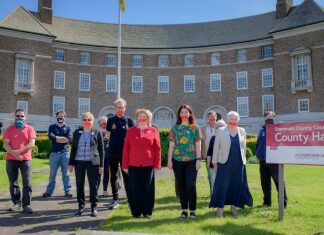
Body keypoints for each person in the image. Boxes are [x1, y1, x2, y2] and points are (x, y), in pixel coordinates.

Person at [210, 111, 253, 217]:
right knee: (222, 186)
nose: (233, 120)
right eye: (231, 118)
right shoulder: (220, 131)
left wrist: (244, 162)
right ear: (228, 119)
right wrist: (215, 163)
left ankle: (233, 208)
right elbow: (216, 148)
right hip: (224, 163)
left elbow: (243, 148)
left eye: (235, 118)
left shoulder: (242, 131)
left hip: (238, 164)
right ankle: (220, 209)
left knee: (236, 186)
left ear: (238, 120)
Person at [122, 109, 161, 218]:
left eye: (145, 116)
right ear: (137, 118)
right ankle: (136, 212)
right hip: (133, 165)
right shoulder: (130, 131)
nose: (142, 118)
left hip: (148, 165)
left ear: (148, 118)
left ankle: (147, 212)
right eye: (140, 116)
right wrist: (124, 165)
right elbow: (126, 149)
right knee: (134, 189)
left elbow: (157, 149)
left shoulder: (153, 130)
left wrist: (157, 164)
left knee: (147, 189)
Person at [167, 104, 202, 220]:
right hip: (177, 161)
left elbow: (198, 144)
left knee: (190, 185)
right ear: (179, 114)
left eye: (186, 112)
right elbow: (171, 145)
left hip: (192, 161)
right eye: (182, 112)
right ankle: (184, 210)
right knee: (181, 186)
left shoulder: (195, 128)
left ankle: (193, 211)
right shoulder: (175, 128)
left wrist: (198, 159)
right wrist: (169, 160)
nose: (184, 114)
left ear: (190, 114)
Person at [68, 112, 104, 217]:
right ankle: (81, 206)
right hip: (79, 162)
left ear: (92, 121)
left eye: (89, 120)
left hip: (93, 163)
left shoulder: (97, 132)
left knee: (93, 185)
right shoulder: (77, 133)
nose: (87, 122)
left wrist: (101, 165)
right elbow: (73, 149)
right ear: (82, 121)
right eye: (85, 120)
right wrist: (71, 163)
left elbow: (101, 151)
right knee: (79, 185)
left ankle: (94, 207)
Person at [3, 109, 36, 214]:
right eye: (18, 116)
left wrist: (19, 152)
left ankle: (26, 205)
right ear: (15, 117)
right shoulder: (9, 129)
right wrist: (14, 153)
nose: (20, 118)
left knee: (27, 182)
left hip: (25, 159)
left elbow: (32, 143)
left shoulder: (30, 128)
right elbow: (5, 144)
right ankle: (17, 203)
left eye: (22, 116)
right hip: (11, 159)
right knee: (13, 183)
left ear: (25, 117)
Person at [106, 98, 135, 209]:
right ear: (115, 108)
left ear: (125, 108)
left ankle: (130, 199)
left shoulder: (129, 121)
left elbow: (133, 137)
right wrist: (106, 144)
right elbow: (107, 135)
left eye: (122, 107)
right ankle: (115, 199)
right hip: (113, 152)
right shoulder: (110, 120)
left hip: (126, 153)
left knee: (127, 175)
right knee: (113, 176)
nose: (120, 109)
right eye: (118, 107)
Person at [255, 111, 288, 208]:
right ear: (264, 118)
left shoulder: (277, 129)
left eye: (271, 117)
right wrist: (257, 153)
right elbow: (258, 143)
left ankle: (283, 204)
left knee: (279, 181)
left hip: (274, 160)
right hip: (263, 160)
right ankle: (267, 202)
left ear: (274, 118)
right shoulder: (261, 130)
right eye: (267, 117)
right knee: (265, 182)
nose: (269, 119)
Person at [43, 111, 72, 198]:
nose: (60, 118)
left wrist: (56, 138)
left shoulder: (68, 127)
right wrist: (62, 138)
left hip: (65, 153)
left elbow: (69, 139)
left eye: (62, 117)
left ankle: (67, 192)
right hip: (54, 154)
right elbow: (51, 137)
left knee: (65, 174)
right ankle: (49, 192)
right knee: (52, 175)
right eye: (59, 117)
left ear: (65, 117)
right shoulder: (52, 127)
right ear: (56, 117)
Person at [206, 119, 227, 189]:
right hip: (213, 164)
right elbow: (209, 152)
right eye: (218, 127)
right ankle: (214, 198)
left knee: (224, 183)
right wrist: (208, 164)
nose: (220, 128)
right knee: (214, 183)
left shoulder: (228, 138)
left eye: (222, 126)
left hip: (225, 164)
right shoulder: (213, 138)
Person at [201, 111, 218, 196]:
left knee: (217, 174)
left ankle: (217, 192)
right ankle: (212, 192)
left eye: (213, 116)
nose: (212, 118)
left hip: (218, 155)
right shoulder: (204, 128)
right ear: (208, 118)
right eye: (210, 117)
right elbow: (201, 140)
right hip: (208, 156)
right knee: (210, 175)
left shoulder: (220, 127)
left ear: (216, 117)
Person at [98, 116, 110, 197]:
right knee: (98, 174)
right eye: (102, 122)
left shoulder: (110, 132)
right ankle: (95, 190)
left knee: (106, 174)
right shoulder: (97, 132)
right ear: (99, 123)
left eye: (105, 122)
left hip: (108, 156)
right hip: (99, 157)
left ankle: (105, 190)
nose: (104, 124)